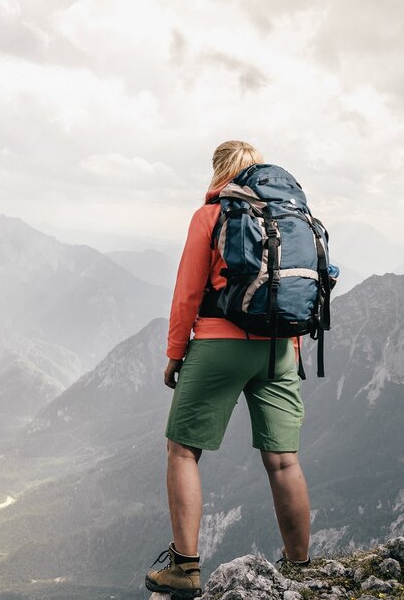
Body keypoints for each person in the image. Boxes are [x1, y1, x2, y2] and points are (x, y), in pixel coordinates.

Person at [145, 140, 312, 599]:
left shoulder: (211, 215)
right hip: (282, 347)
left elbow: (187, 295)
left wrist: (175, 353)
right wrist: (291, 350)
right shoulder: (289, 214)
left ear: (221, 173)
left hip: (221, 343)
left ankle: (184, 568)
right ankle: (299, 565)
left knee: (182, 451)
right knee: (283, 461)